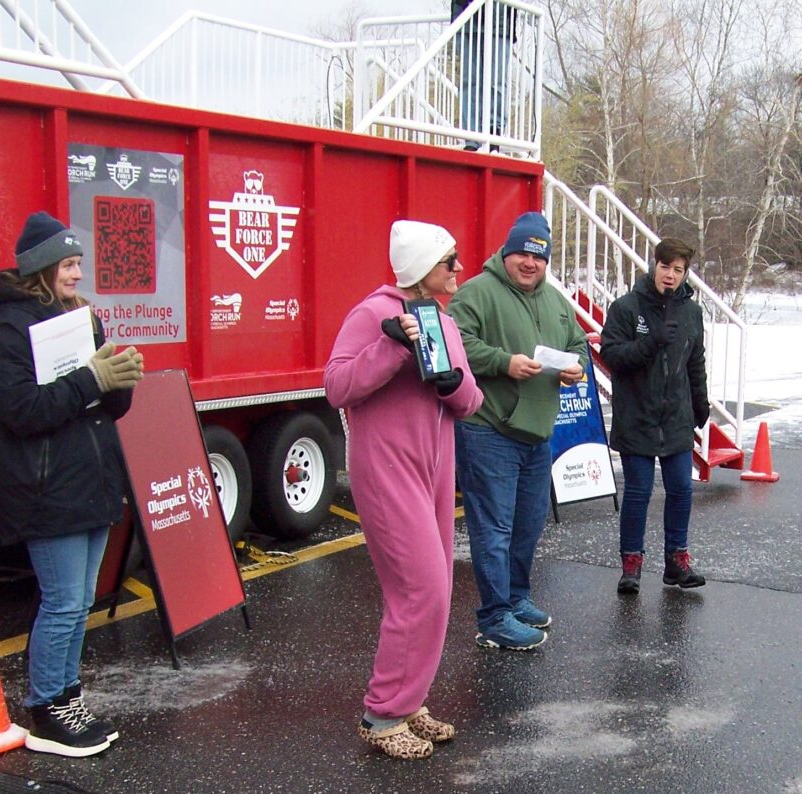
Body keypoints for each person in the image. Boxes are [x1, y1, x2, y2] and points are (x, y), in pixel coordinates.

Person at [0, 211, 145, 757]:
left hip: (88, 480)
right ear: (42, 269)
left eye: (77, 263)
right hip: (45, 488)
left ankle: (67, 694)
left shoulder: (78, 317)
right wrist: (90, 379)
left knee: (80, 600)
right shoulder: (6, 333)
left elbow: (97, 403)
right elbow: (19, 409)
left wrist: (119, 383)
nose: (77, 273)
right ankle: (47, 708)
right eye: (69, 264)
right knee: (65, 601)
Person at [324, 220, 483, 760]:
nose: (459, 269)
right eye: (450, 261)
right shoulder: (373, 314)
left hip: (436, 471)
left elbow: (471, 399)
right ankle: (382, 712)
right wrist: (389, 351)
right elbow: (337, 386)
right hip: (387, 468)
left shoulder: (442, 318)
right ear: (421, 270)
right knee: (422, 591)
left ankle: (409, 700)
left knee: (435, 593)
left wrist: (455, 385)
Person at [446, 211, 585, 650]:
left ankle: (517, 597)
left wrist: (575, 367)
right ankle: (494, 617)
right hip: (489, 430)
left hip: (537, 434)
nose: (530, 262)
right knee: (494, 528)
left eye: (538, 256)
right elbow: (456, 342)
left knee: (527, 525)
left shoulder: (554, 300)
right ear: (508, 251)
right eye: (522, 252)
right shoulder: (477, 292)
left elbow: (578, 341)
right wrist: (504, 363)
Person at [599, 238, 708, 594]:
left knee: (680, 490)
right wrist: (652, 342)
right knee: (639, 493)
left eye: (678, 270)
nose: (670, 275)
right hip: (638, 415)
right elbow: (613, 355)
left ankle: (677, 562)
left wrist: (700, 400)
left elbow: (695, 360)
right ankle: (631, 564)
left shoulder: (691, 312)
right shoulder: (627, 308)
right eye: (665, 267)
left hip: (676, 415)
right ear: (654, 266)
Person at [451, 0, 516, 151]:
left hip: (498, 21)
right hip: (465, 19)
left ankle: (494, 132)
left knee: (496, 81)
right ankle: (471, 138)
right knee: (469, 82)